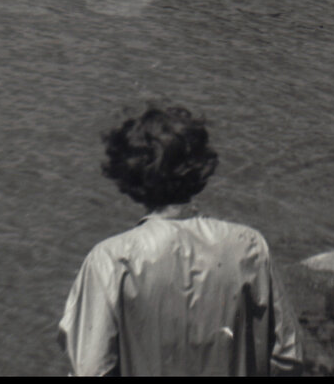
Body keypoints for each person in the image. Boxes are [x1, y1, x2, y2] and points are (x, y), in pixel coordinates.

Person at [57, 105, 303, 376]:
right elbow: (287, 356)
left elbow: (91, 368)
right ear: (198, 169)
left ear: (129, 176)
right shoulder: (249, 246)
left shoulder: (110, 261)